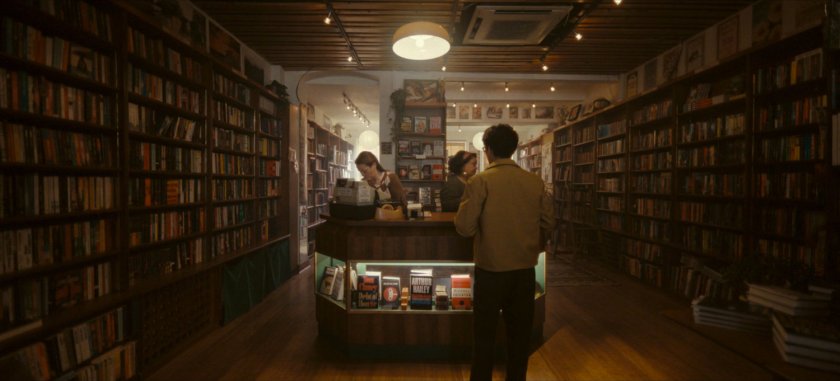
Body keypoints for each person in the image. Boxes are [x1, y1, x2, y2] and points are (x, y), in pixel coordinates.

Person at [454, 124, 554, 381]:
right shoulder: (534, 182)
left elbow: (464, 228)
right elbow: (548, 223)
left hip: (490, 271)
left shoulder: (479, 181)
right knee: (520, 340)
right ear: (514, 149)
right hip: (524, 272)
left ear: (487, 151)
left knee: (484, 339)